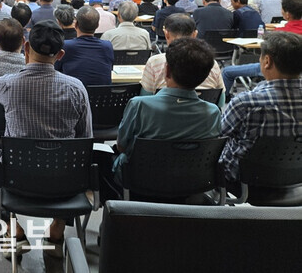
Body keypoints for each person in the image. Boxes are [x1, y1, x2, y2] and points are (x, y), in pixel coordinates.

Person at [0, 20, 92, 258]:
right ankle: (57, 228)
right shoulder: (77, 88)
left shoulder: (6, 84)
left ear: (26, 48)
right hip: (65, 180)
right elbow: (86, 139)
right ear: (60, 55)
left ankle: (13, 228)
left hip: (18, 178)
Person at [111, 38, 222, 183]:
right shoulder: (213, 113)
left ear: (167, 70)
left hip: (141, 180)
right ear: (205, 76)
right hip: (190, 182)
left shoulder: (139, 105)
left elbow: (122, 146)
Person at [219, 32, 301, 190]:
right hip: (295, 181)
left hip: (242, 183)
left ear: (267, 61)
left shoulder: (245, 103)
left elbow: (216, 137)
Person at [220, 0, 302, 95]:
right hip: (297, 71)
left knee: (227, 72)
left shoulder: (279, 34)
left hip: (275, 68)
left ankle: (224, 100)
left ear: (287, 14)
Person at [141, 14, 225, 103]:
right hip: (203, 111)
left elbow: (145, 98)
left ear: (166, 34)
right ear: (195, 34)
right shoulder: (211, 63)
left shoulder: (154, 62)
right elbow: (220, 101)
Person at [55, 6, 114, 86]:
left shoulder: (65, 46)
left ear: (76, 24)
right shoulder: (107, 46)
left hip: (74, 92)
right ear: (97, 25)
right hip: (102, 93)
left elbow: (56, 70)